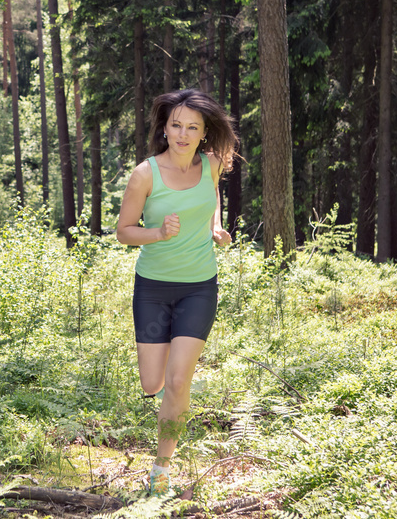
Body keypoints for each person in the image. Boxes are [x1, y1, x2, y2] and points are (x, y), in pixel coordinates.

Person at [115, 89, 238, 495]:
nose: (183, 134)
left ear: (204, 133)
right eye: (176, 125)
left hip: (199, 287)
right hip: (153, 288)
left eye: (192, 127)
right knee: (152, 383)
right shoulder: (145, 175)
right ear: (165, 129)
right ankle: (168, 380)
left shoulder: (212, 165)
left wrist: (214, 226)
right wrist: (158, 233)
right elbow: (123, 232)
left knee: (178, 379)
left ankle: (161, 468)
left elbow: (212, 193)